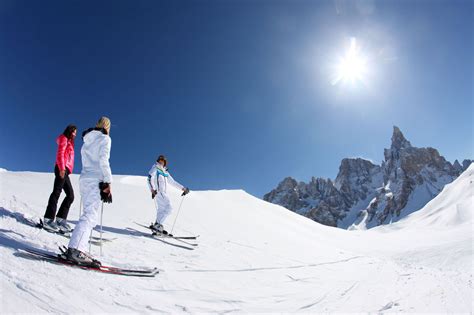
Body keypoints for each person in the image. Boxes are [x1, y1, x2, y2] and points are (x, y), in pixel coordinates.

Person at [66, 117, 112, 266]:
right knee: (90, 215)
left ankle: (80, 248)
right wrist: (107, 182)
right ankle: (75, 249)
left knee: (88, 214)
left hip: (85, 179)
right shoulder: (105, 139)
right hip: (95, 179)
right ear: (107, 126)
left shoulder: (87, 140)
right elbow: (103, 160)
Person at [43, 124, 77, 233]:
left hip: (65, 170)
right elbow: (60, 154)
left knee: (70, 195)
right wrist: (62, 168)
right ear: (70, 131)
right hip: (61, 168)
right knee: (56, 192)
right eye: (74, 132)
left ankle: (60, 219)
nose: (75, 134)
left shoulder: (70, 142)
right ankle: (48, 220)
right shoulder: (64, 138)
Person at [147, 155, 190, 234]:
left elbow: (173, 182)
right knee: (169, 208)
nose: (161, 161)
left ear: (165, 162)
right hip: (159, 191)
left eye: (163, 160)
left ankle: (157, 226)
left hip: (162, 193)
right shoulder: (155, 168)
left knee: (161, 210)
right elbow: (149, 178)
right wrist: (152, 190)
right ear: (158, 160)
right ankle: (158, 225)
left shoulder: (166, 172)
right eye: (160, 160)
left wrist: (183, 188)